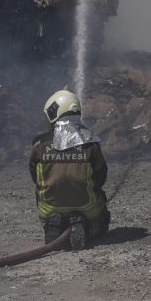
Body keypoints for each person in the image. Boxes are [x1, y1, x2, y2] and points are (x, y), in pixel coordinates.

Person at [28, 89, 110, 248]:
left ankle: (54, 226)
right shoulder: (90, 143)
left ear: (54, 113)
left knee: (50, 205)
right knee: (102, 221)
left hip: (48, 207)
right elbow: (101, 178)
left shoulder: (39, 144)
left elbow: (34, 177)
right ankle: (85, 226)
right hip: (87, 207)